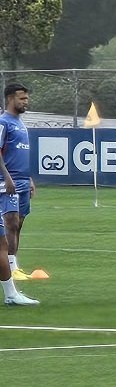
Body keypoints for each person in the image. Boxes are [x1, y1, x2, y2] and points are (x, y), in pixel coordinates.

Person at [1, 84, 37, 284]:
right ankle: (10, 268)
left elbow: (20, 154)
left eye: (26, 98)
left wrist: (29, 178)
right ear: (10, 99)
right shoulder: (4, 122)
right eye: (22, 99)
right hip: (9, 181)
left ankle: (14, 266)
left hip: (22, 180)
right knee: (11, 222)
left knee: (19, 224)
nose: (26, 102)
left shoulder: (21, 123)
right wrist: (7, 177)